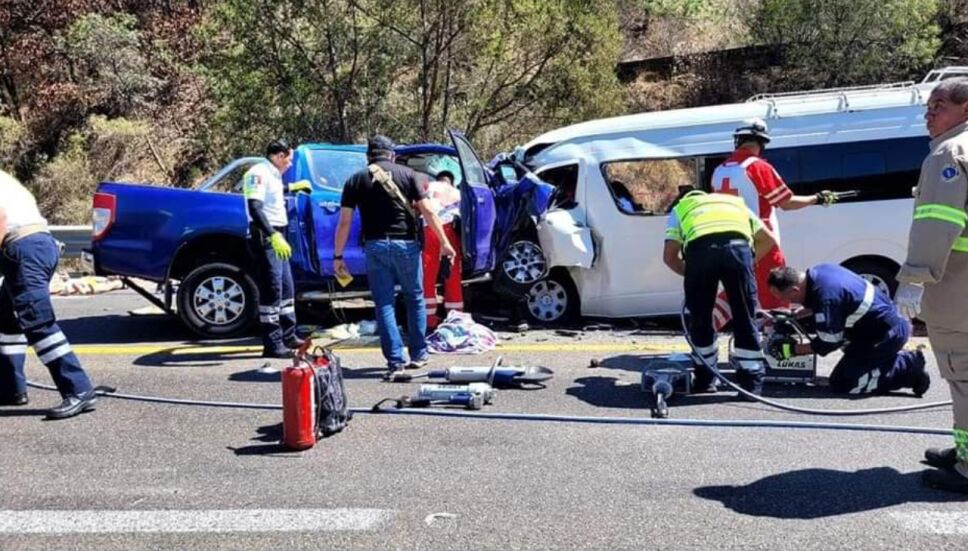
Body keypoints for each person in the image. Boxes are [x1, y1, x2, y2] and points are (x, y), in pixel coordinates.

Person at [893, 77, 968, 493]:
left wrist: (915, 278)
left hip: (960, 289)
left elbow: (939, 223)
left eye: (938, 105)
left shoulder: (950, 152)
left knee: (965, 377)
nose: (929, 113)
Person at [334, 135, 456, 372]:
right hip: (407, 245)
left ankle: (395, 361)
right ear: (391, 155)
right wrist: (444, 242)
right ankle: (419, 353)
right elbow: (429, 212)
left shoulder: (355, 180)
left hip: (375, 246)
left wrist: (338, 256)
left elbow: (345, 222)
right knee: (414, 298)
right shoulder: (408, 175)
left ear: (368, 156)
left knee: (384, 304)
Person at [710, 118, 837, 326]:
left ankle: (703, 333)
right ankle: (775, 345)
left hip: (729, 241)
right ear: (761, 143)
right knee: (778, 292)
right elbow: (786, 202)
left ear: (738, 140)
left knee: (735, 289)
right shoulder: (758, 167)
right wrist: (817, 198)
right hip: (762, 240)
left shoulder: (720, 170)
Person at [0, 169, 97, 419]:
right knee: (6, 319)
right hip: (35, 246)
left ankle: (79, 390)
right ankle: (11, 389)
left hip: (24, 249)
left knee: (37, 321)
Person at [663, 189, 778, 397]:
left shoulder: (681, 209)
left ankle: (705, 380)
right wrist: (745, 267)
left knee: (701, 319)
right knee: (745, 317)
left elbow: (670, 257)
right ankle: (751, 385)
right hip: (739, 251)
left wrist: (692, 275)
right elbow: (768, 240)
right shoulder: (735, 203)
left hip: (700, 254)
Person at [765, 265, 929, 396]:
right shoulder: (821, 272)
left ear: (795, 289)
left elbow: (829, 341)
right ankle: (881, 360)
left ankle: (909, 367)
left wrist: (791, 350)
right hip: (874, 329)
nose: (787, 302)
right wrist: (796, 315)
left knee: (845, 384)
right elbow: (836, 302)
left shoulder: (827, 297)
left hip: (886, 335)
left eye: (786, 298)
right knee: (841, 369)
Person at [242, 140, 311, 358]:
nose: (290, 164)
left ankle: (289, 335)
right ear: (279, 156)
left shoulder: (272, 174)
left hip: (279, 233)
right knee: (272, 290)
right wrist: (272, 234)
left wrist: (292, 187)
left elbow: (273, 192)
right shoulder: (258, 172)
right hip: (266, 235)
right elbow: (255, 207)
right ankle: (272, 344)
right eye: (289, 159)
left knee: (286, 287)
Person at [421, 170, 463, 330]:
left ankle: (429, 319)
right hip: (450, 230)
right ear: (451, 181)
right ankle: (456, 318)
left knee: (428, 277)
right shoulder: (457, 192)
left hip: (429, 228)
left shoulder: (428, 187)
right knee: (452, 276)